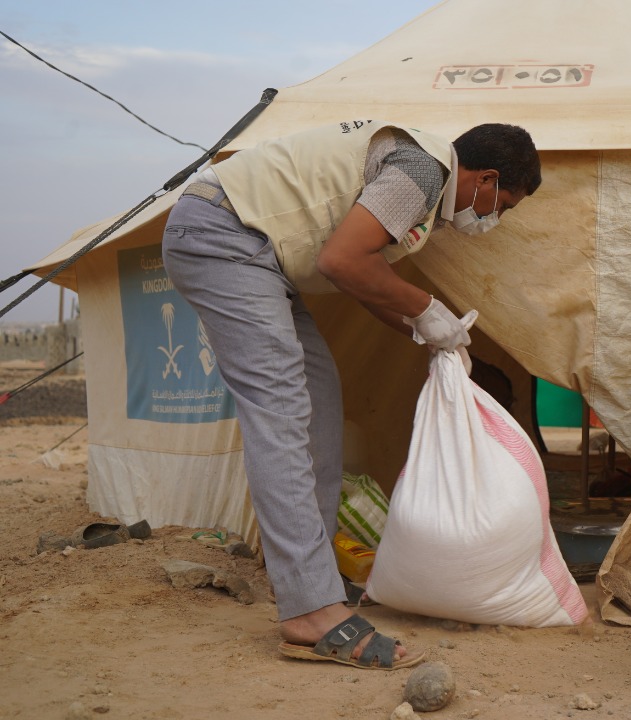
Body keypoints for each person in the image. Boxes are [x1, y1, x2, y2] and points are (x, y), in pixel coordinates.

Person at [161, 120, 541, 670]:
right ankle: (309, 610)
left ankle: (308, 579)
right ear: (486, 178)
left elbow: (360, 278)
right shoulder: (422, 169)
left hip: (257, 252)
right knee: (282, 410)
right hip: (224, 235)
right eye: (501, 205)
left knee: (317, 401)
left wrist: (427, 334)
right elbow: (341, 261)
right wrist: (425, 307)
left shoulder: (424, 193)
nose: (493, 219)